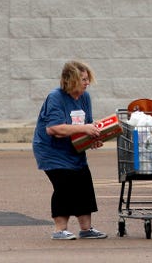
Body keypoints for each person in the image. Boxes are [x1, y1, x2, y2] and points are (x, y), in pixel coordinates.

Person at [33, 59, 108, 240]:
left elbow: (87, 125)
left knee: (84, 183)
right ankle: (59, 230)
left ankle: (86, 228)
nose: (87, 83)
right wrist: (84, 129)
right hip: (51, 151)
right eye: (83, 79)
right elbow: (54, 129)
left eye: (87, 79)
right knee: (64, 186)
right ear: (71, 80)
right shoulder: (56, 97)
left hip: (73, 149)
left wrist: (93, 139)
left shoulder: (84, 98)